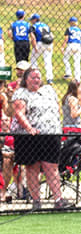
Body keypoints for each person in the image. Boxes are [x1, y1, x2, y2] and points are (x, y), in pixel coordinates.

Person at [11, 67, 64, 210]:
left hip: (51, 134)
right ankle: (36, 201)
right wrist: (29, 129)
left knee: (51, 166)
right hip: (31, 137)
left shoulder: (48, 90)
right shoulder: (21, 93)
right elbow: (19, 113)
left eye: (38, 77)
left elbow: (56, 108)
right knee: (32, 167)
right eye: (33, 77)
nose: (36, 80)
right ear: (26, 79)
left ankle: (58, 200)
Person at [28, 14, 54, 83]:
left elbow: (33, 37)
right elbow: (52, 35)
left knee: (33, 59)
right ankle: (50, 79)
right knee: (48, 61)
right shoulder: (45, 25)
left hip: (40, 43)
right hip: (49, 43)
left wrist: (35, 47)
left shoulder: (33, 26)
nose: (31, 21)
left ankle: (35, 76)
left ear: (35, 20)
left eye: (31, 19)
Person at [62, 16, 81, 81]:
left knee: (65, 58)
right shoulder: (79, 30)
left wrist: (63, 47)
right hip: (78, 45)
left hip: (71, 45)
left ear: (71, 22)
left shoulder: (69, 29)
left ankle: (68, 73)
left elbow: (66, 38)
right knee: (77, 62)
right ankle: (78, 78)